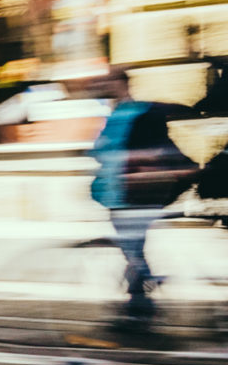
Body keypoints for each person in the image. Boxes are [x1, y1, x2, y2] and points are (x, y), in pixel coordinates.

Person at [88, 68, 208, 311]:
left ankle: (142, 299)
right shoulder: (115, 114)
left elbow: (170, 127)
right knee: (132, 250)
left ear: (121, 83)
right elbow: (101, 152)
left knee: (132, 250)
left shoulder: (140, 111)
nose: (102, 85)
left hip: (135, 194)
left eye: (108, 80)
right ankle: (140, 299)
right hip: (117, 195)